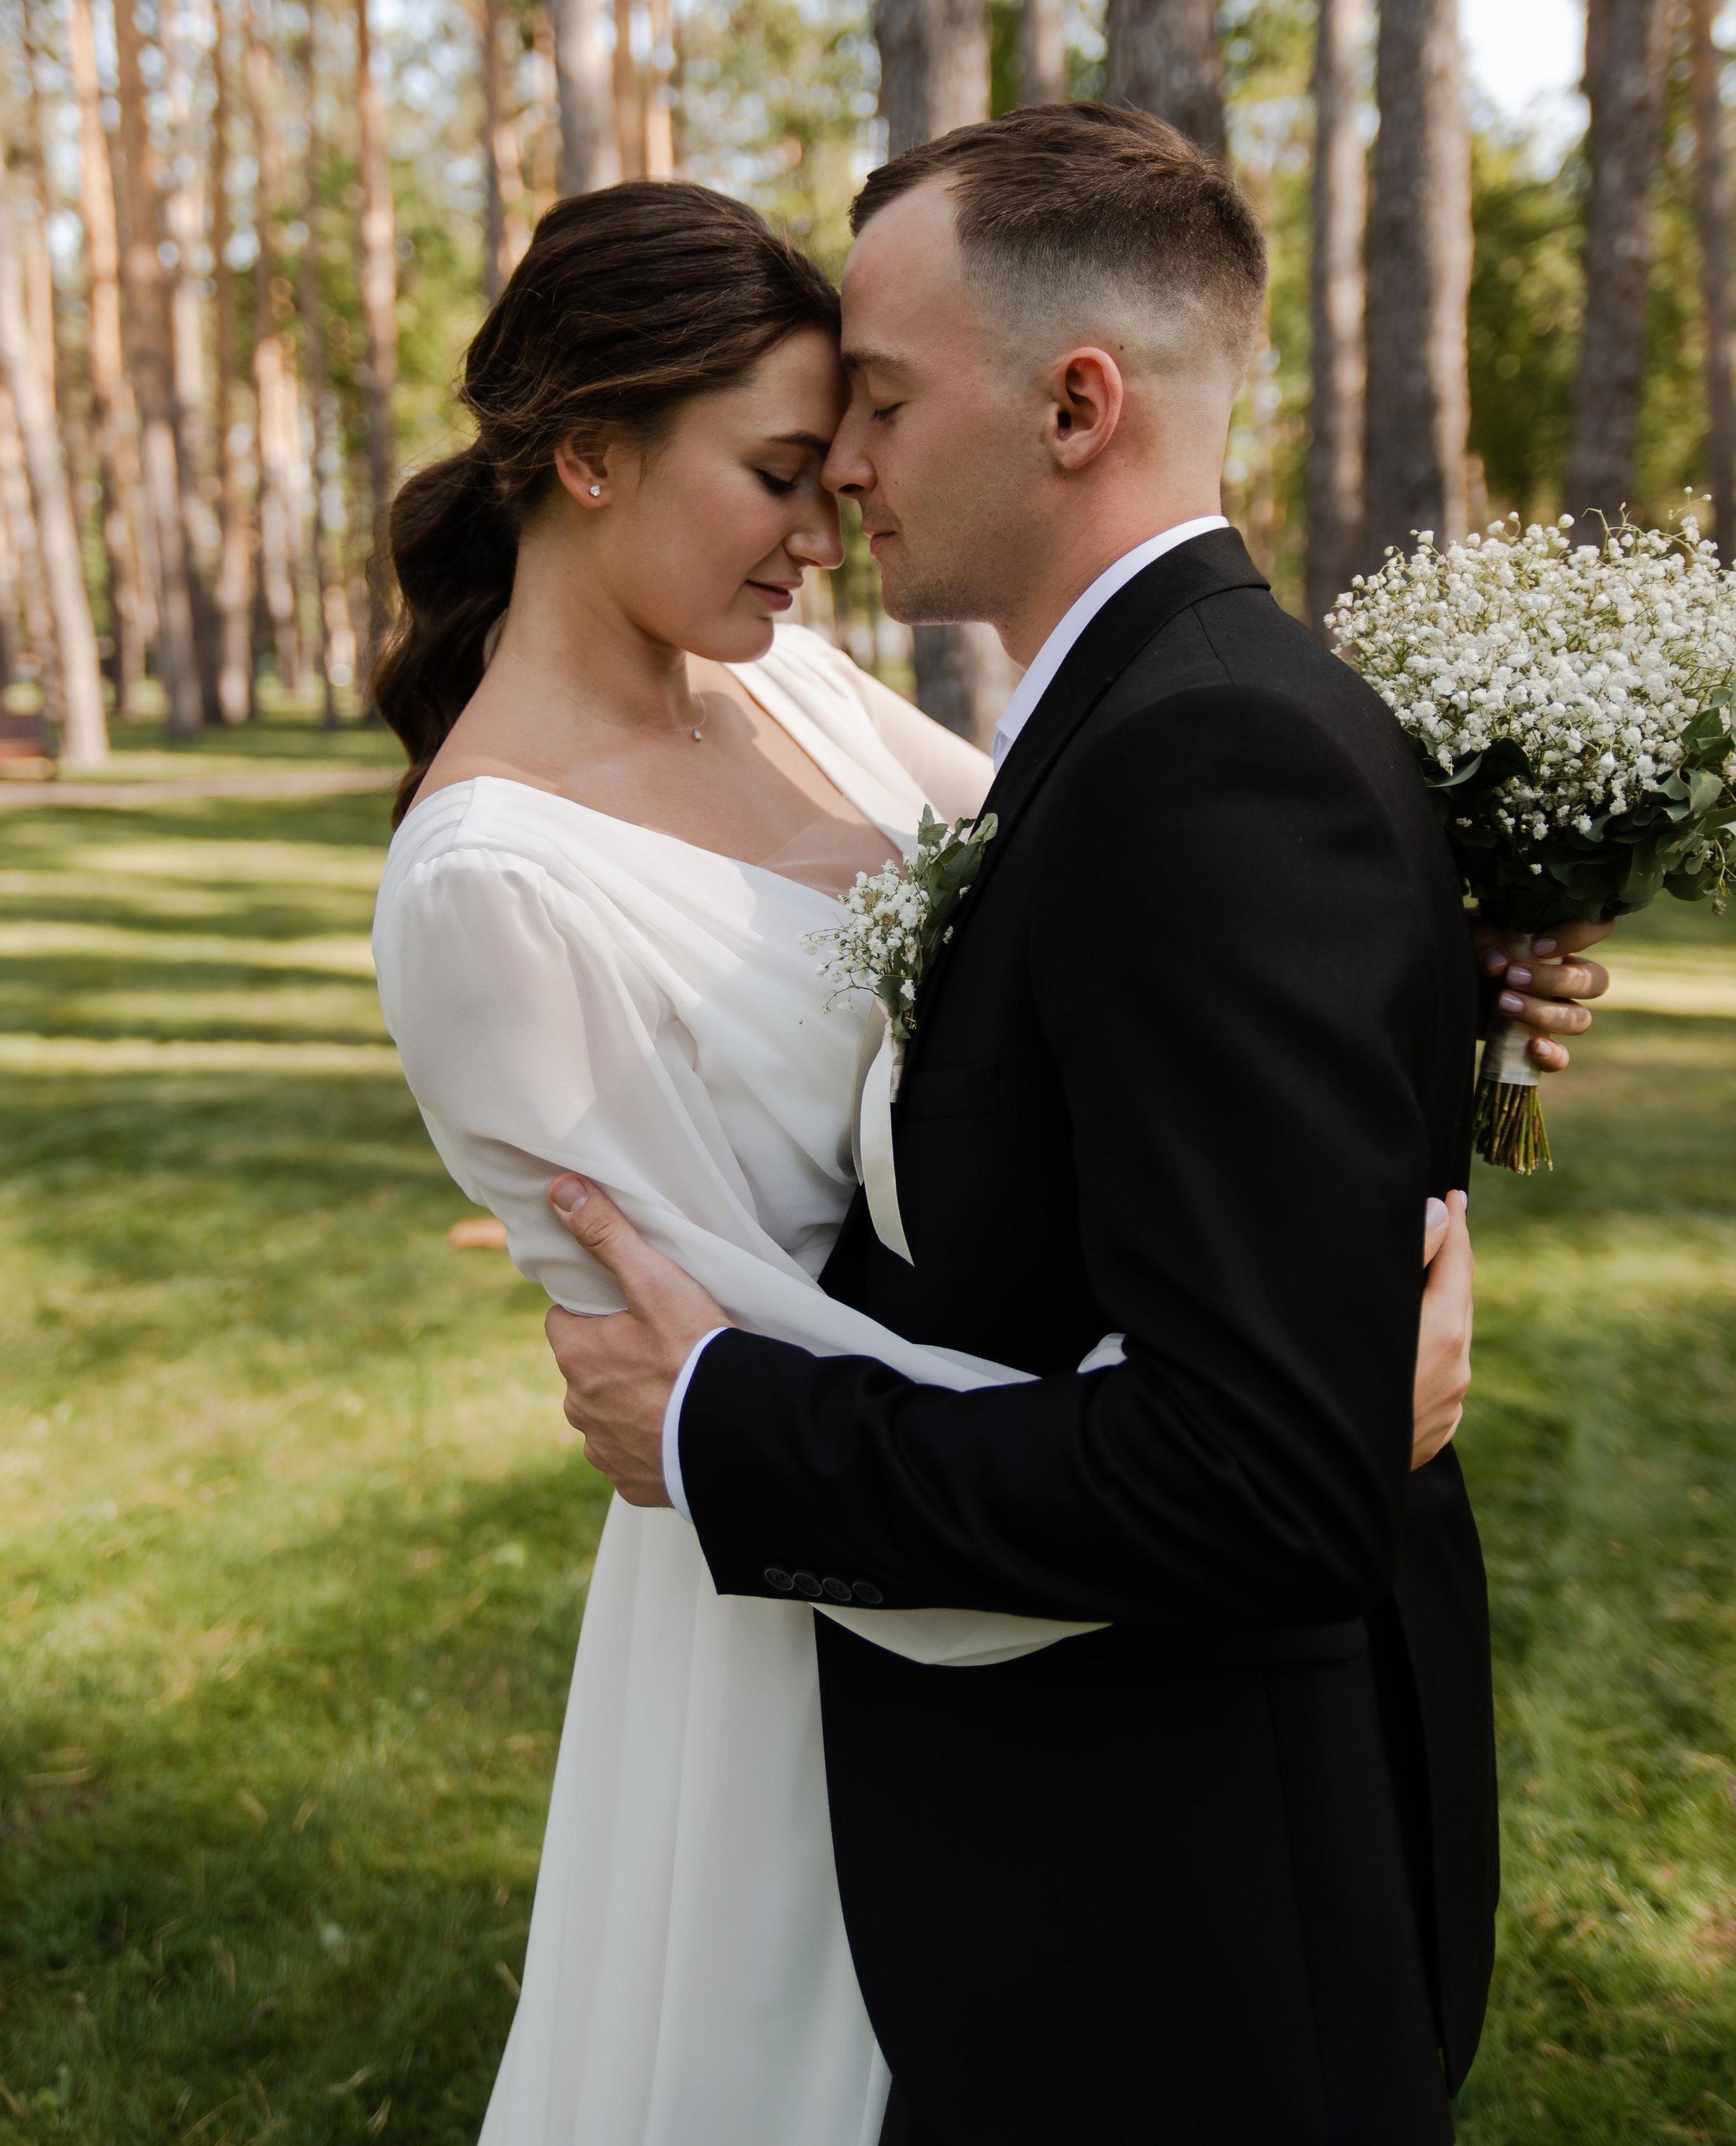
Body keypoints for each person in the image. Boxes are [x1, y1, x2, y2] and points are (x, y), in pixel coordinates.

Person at [371, 158, 1605, 2146]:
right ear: (588, 457)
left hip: (1026, 1552)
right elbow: (710, 1364)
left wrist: (1410, 955)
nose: (829, 513)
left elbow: (1094, 924)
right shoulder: (487, 887)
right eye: (782, 465)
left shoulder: (798, 690)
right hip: (832, 1605)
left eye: (853, 430)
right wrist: (1309, 1425)